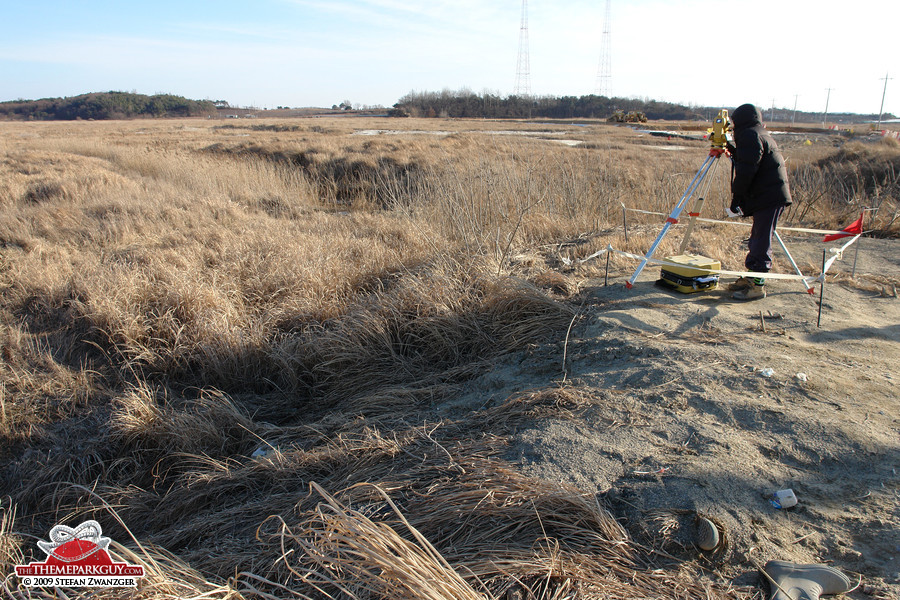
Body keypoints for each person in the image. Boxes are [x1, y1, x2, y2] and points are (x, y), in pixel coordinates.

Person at [725, 103, 793, 300]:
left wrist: (737, 197)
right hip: (770, 194)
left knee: (761, 240)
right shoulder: (758, 132)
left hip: (769, 196)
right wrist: (732, 150)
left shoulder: (749, 135)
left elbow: (747, 170)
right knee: (758, 237)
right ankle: (750, 278)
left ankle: (757, 286)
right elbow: (751, 159)